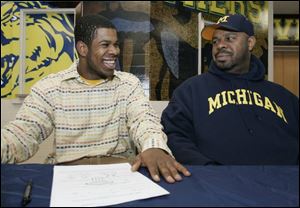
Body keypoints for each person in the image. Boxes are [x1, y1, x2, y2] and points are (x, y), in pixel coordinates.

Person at [1, 14, 190, 183]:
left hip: (122, 174)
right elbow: (21, 135)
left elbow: (144, 120)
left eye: (116, 44)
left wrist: (154, 146)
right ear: (83, 49)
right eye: (105, 45)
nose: (115, 51)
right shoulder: (50, 88)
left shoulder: (128, 83)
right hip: (68, 178)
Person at [161, 14, 299, 165]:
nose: (220, 45)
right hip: (217, 184)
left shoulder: (283, 96)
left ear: (250, 43)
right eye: (215, 41)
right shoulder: (190, 91)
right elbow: (175, 136)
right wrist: (211, 171)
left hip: (283, 184)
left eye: (229, 38)